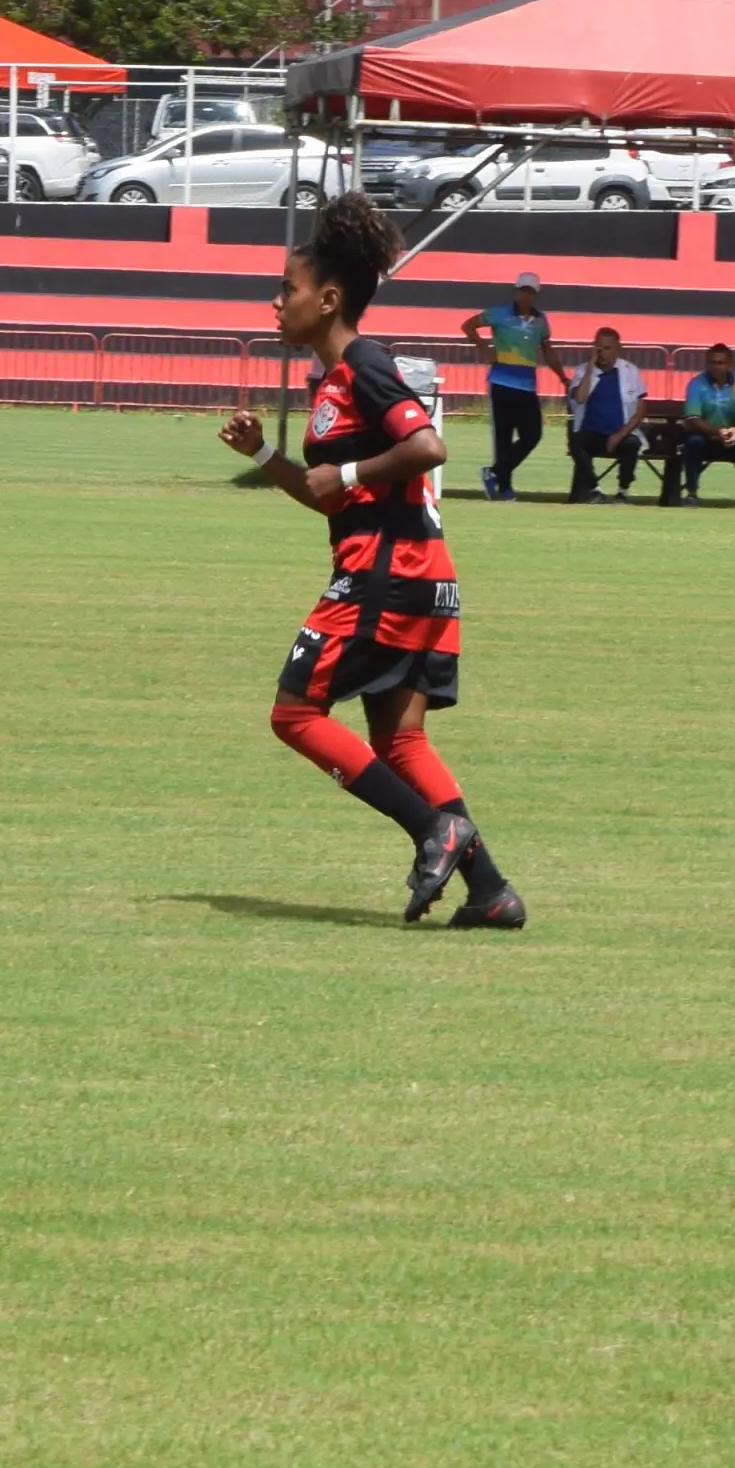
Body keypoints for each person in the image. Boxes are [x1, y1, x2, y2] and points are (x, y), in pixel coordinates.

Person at [221, 192, 525, 928]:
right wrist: (265, 455)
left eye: (287, 290)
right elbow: (330, 497)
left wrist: (351, 475)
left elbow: (428, 447)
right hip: (422, 577)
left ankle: (434, 830)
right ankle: (490, 894)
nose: (276, 302)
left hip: (385, 578)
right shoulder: (334, 382)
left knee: (294, 713)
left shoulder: (363, 363)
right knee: (399, 739)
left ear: (328, 300)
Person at [461, 271, 568, 501]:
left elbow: (548, 351)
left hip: (527, 386)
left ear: (535, 294)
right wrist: (485, 349)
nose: (526, 296)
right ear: (516, 291)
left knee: (533, 434)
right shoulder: (499, 313)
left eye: (530, 292)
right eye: (523, 290)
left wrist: (563, 377)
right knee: (503, 438)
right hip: (501, 382)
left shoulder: (541, 321)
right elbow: (468, 325)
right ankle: (504, 487)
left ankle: (495, 473)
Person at [566, 326, 647, 503]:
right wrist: (590, 369)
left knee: (632, 444)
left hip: (620, 433)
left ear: (618, 349)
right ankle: (594, 490)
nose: (603, 353)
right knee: (576, 442)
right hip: (591, 432)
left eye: (608, 349)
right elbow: (580, 398)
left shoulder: (630, 371)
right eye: (599, 348)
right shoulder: (582, 370)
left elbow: (641, 410)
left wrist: (619, 435)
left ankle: (623, 491)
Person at [677, 344, 735, 507]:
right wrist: (716, 432)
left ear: (729, 364)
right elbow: (693, 419)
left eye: (720, 363)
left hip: (733, 438)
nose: (715, 367)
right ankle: (691, 493)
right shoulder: (696, 384)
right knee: (693, 442)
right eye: (712, 362)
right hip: (705, 436)